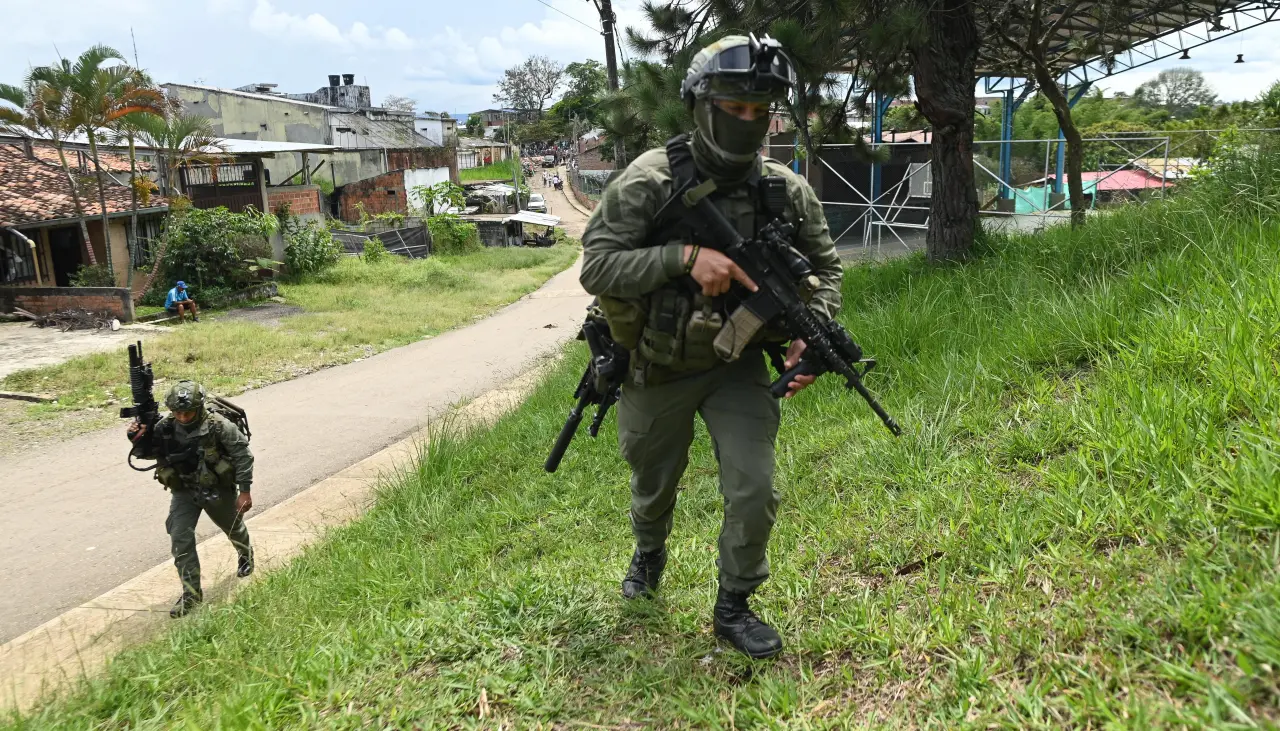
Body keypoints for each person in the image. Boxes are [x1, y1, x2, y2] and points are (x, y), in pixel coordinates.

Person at [578, 34, 840, 659]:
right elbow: (597, 267)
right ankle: (649, 554)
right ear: (699, 104)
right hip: (655, 365)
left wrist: (812, 332)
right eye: (733, 107)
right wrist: (684, 258)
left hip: (737, 363)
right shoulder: (649, 180)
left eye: (760, 111)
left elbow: (827, 270)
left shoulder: (783, 190)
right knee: (653, 483)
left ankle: (734, 604)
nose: (747, 121)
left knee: (755, 488)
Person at [127, 381, 255, 618]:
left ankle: (245, 554)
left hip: (217, 489)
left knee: (234, 528)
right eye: (178, 413)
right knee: (180, 537)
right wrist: (137, 439)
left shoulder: (219, 426)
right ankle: (191, 593)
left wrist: (245, 491)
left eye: (188, 412)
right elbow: (148, 454)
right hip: (184, 490)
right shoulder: (165, 427)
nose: (183, 417)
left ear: (199, 407)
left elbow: (243, 455)